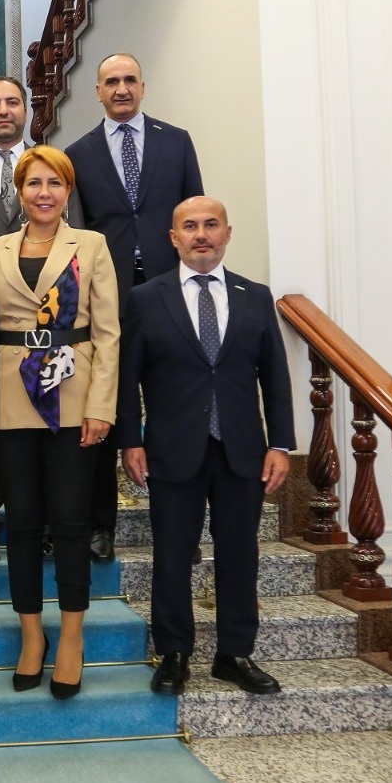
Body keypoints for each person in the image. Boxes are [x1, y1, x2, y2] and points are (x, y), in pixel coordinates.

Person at [118, 196, 294, 697]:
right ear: (173, 238)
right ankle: (174, 653)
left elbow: (275, 377)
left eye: (211, 225)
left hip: (242, 448)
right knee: (173, 553)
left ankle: (234, 653)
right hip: (172, 448)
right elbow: (127, 378)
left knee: (239, 552)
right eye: (190, 226)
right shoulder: (146, 298)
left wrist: (281, 444)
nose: (201, 234)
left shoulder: (254, 296)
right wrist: (130, 440)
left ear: (227, 233)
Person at [0, 146, 118, 699]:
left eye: (54, 183)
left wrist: (101, 406)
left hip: (73, 397)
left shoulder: (91, 245)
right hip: (10, 398)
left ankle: (71, 637)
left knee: (69, 522)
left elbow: (108, 332)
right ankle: (32, 635)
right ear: (19, 191)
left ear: (68, 191)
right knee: (21, 523)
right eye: (34, 183)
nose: (44, 193)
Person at [64, 53, 204, 563]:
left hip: (170, 292)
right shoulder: (77, 153)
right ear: (97, 92)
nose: (121, 89)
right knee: (104, 407)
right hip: (109, 297)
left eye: (129, 80)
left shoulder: (177, 142)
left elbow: (195, 215)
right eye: (111, 82)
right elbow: (79, 233)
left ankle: (179, 525)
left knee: (172, 406)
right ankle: (100, 526)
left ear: (143, 86)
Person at [0, 76, 86, 563]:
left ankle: (49, 524)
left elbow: (77, 236)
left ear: (26, 110)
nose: (3, 110)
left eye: (12, 102)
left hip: (55, 322)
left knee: (48, 431)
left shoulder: (52, 166)